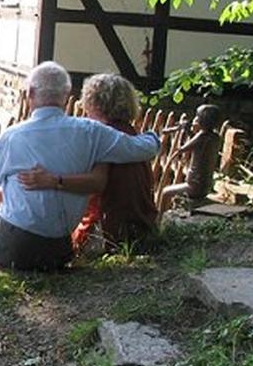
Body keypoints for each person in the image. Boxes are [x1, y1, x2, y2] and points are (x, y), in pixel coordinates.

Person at [0, 62, 160, 271]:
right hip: (60, 248)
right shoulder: (92, 132)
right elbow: (144, 148)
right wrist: (152, 136)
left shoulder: (13, 136)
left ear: (30, 93)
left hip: (21, 246)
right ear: (67, 95)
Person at [17, 73, 158, 251]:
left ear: (95, 103)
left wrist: (53, 180)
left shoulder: (104, 137)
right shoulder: (130, 134)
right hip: (143, 228)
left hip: (112, 234)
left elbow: (96, 183)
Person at [159, 104, 222, 213]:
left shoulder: (201, 136)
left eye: (197, 117)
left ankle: (159, 219)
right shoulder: (215, 137)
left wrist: (182, 130)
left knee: (165, 192)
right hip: (206, 185)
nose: (195, 119)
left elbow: (182, 149)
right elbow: (197, 144)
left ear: (203, 121)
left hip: (194, 185)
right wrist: (189, 131)